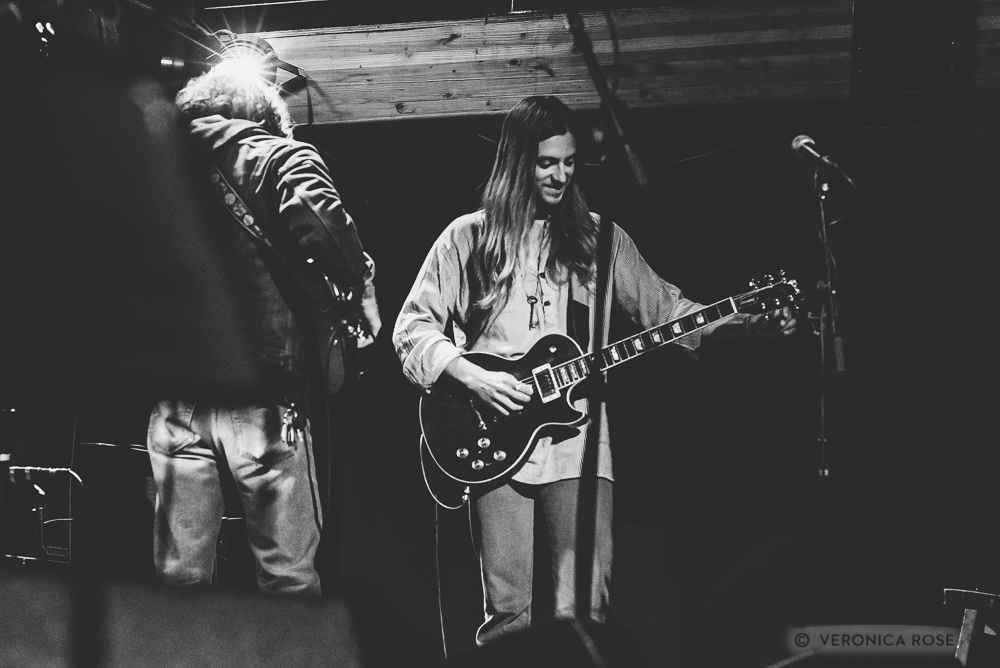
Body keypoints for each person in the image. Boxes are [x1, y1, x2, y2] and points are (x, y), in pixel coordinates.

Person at [392, 95, 794, 643]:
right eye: (546, 162)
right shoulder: (468, 237)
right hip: (493, 435)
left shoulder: (598, 238)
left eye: (569, 162)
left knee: (583, 612)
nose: (561, 175)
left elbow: (667, 310)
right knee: (509, 613)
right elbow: (411, 328)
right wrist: (471, 374)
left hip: (578, 442)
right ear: (517, 163)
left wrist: (742, 324)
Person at [147, 64, 380, 597]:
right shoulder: (275, 154)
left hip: (176, 394)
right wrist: (362, 283)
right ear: (264, 115)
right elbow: (324, 227)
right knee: (288, 578)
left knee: (176, 587)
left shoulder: (157, 158)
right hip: (263, 388)